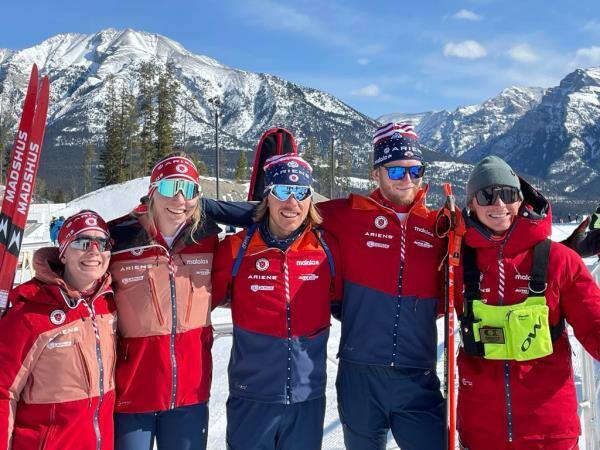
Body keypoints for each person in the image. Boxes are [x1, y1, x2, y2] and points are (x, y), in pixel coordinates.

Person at [317, 123, 447, 450]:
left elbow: (496, 235)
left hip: (417, 375)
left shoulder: (438, 225)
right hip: (360, 373)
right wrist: (199, 211)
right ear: (376, 173)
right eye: (396, 171)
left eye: (415, 170)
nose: (407, 180)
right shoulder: (347, 215)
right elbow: (285, 213)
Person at [455, 156, 600, 450]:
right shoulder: (455, 262)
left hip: (549, 431)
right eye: (487, 195)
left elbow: (594, 324)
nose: (499, 205)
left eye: (508, 194)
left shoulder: (559, 260)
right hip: (481, 431)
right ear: (471, 203)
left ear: (521, 200)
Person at [109, 153, 251, 450]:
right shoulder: (119, 239)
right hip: (132, 389)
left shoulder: (208, 240)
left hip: (190, 390)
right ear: (151, 192)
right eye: (169, 187)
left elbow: (264, 217)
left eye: (189, 190)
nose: (179, 199)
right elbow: (77, 263)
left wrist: (209, 206)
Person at [212, 154, 343, 450]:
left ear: (310, 201)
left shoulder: (327, 250)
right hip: (252, 395)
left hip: (306, 397)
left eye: (301, 193)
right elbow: (203, 300)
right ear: (267, 196)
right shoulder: (235, 250)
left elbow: (339, 299)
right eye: (283, 191)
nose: (292, 203)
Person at [0, 210, 116, 449]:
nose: (94, 250)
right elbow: (3, 391)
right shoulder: (31, 313)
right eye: (82, 242)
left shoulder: (110, 304)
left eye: (102, 242)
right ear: (62, 253)